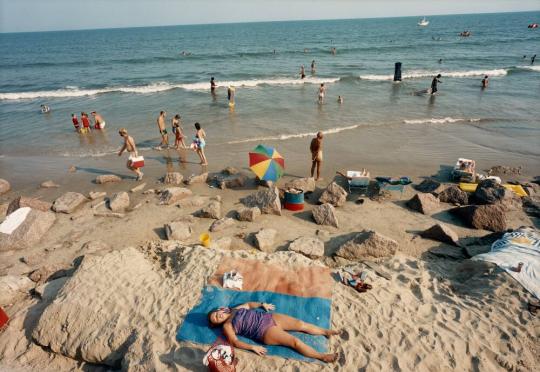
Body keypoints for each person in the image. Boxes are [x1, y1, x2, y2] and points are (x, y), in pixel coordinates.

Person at [207, 302, 339, 363]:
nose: (217, 316)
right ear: (217, 324)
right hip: (264, 331)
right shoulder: (227, 326)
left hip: (268, 318)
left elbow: (248, 305)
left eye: (216, 313)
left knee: (300, 324)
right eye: (215, 319)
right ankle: (322, 356)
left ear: (220, 310)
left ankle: (325, 332)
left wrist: (262, 304)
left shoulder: (234, 309)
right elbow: (235, 342)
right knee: (295, 342)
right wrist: (252, 347)